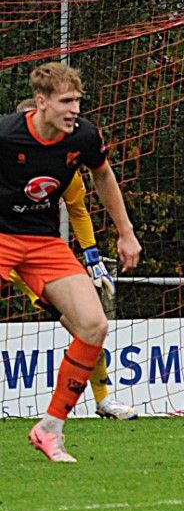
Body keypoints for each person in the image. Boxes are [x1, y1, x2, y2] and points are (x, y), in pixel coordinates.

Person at [1, 63, 141, 461]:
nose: (73, 109)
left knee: (94, 324)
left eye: (77, 100)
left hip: (43, 243)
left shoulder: (84, 136)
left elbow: (104, 176)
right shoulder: (6, 134)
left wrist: (126, 232)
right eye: (65, 101)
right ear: (41, 102)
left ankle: (50, 429)